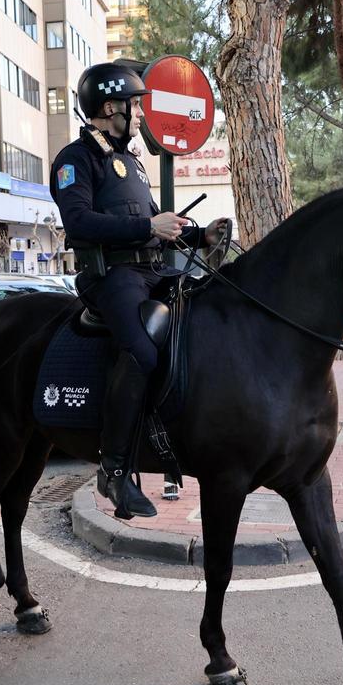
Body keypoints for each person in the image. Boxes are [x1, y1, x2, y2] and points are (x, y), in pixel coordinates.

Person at [50, 62, 228, 519]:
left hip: (151, 271)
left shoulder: (129, 161)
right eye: (134, 105)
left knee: (204, 317)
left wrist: (198, 236)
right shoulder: (75, 159)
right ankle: (113, 470)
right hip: (111, 277)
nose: (139, 114)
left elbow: (154, 228)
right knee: (144, 353)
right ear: (110, 108)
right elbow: (79, 222)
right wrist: (148, 224)